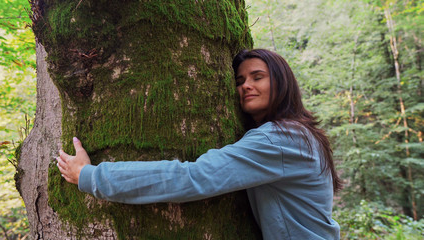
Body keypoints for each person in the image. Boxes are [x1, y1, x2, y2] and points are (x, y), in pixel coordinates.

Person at [57, 49, 342, 240]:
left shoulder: (281, 139)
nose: (245, 86)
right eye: (239, 80)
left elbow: (194, 178)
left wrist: (91, 176)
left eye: (258, 77)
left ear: (283, 83)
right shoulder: (297, 135)